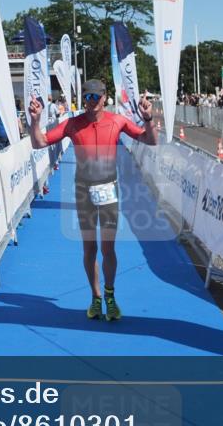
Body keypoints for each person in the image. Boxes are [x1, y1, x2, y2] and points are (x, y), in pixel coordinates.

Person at [28, 79, 158, 322]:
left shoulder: (117, 121)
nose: (92, 102)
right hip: (84, 192)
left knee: (108, 248)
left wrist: (148, 119)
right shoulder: (72, 124)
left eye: (96, 97)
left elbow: (150, 140)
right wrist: (35, 121)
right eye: (87, 97)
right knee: (90, 248)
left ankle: (110, 294)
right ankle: (96, 297)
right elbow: (40, 142)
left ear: (105, 97)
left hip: (109, 190)